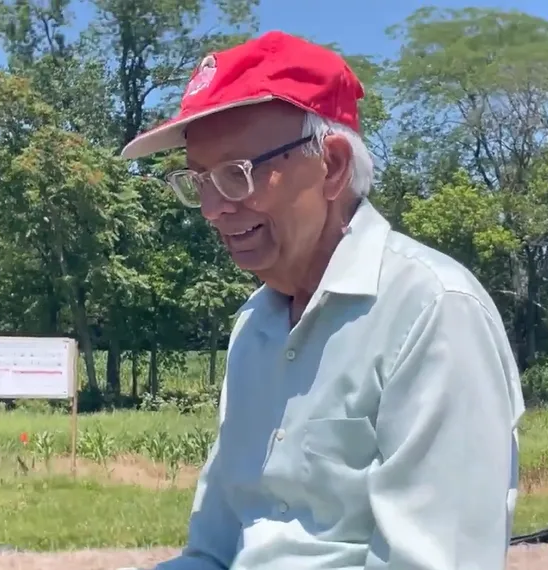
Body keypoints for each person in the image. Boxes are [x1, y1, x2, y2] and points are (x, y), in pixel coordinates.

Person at [121, 30, 526, 570]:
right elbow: (215, 549)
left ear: (331, 166)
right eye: (198, 181)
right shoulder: (254, 326)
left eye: (236, 175)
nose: (213, 209)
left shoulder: (432, 311)